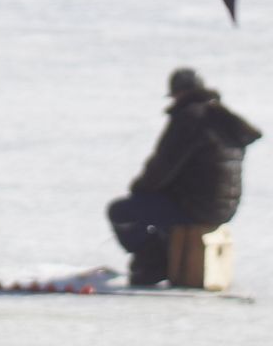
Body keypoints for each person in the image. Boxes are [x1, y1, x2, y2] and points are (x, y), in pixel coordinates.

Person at [108, 67, 262, 286]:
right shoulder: (220, 117)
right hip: (224, 208)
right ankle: (166, 260)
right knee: (158, 208)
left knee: (122, 211)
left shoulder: (190, 117)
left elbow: (163, 166)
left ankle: (153, 265)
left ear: (178, 93)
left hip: (198, 206)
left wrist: (139, 190)